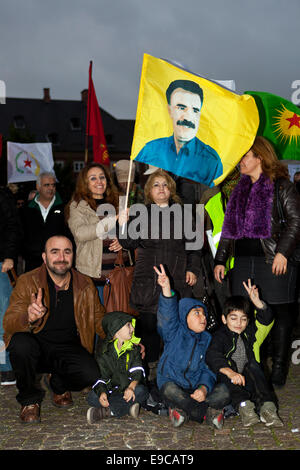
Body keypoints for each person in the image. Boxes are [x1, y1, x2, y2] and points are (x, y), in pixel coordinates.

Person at [214, 136, 300, 388]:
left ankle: (280, 368)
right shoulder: (238, 190)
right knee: (247, 313)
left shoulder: (282, 187)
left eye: (245, 156)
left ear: (259, 157)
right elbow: (228, 229)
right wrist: (221, 259)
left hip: (273, 259)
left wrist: (283, 252)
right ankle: (254, 365)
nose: (240, 161)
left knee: (280, 311)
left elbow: (296, 221)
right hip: (242, 261)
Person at [3, 235, 105, 424]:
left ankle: (57, 384)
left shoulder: (85, 284)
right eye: (54, 251)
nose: (61, 257)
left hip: (68, 348)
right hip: (35, 347)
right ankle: (29, 401)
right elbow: (9, 322)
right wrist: (29, 317)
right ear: (44, 257)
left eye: (67, 251)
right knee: (20, 344)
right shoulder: (27, 281)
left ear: (73, 256)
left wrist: (126, 338)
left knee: (91, 374)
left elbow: (100, 320)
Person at [117, 169, 201, 380]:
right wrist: (122, 223)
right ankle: (149, 372)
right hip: (148, 279)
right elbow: (128, 243)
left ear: (171, 189)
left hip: (177, 277)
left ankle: (173, 371)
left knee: (174, 326)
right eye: (156, 185)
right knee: (149, 328)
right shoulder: (140, 213)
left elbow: (194, 247)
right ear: (149, 191)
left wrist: (193, 268)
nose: (161, 188)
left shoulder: (184, 214)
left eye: (165, 184)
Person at [206, 279, 283, 428]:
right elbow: (212, 355)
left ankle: (267, 408)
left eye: (243, 319)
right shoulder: (220, 336)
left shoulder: (251, 333)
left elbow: (266, 321)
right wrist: (230, 373)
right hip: (227, 382)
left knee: (252, 365)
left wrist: (257, 302)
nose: (238, 323)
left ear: (248, 321)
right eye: (233, 318)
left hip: (250, 381)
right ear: (224, 319)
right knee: (227, 374)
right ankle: (245, 408)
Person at [154, 264, 221, 428]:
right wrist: (167, 290)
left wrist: (204, 388)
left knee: (224, 391)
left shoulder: (208, 339)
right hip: (173, 382)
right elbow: (167, 315)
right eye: (196, 313)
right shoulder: (174, 332)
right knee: (169, 390)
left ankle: (181, 410)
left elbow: (209, 368)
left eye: (204, 313)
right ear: (184, 317)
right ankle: (205, 412)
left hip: (196, 386)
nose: (203, 317)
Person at [135, 79, 223, 187]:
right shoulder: (150, 150)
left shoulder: (211, 161)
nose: (188, 117)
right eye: (181, 108)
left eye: (195, 110)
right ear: (169, 110)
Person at [66, 163, 124, 304]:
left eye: (102, 177)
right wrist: (113, 220)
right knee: (95, 323)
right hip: (92, 279)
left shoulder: (119, 203)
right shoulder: (78, 206)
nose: (99, 181)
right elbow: (81, 233)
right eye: (93, 178)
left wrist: (124, 242)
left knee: (119, 323)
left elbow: (133, 237)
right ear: (85, 183)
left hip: (118, 279)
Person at [86, 311, 148, 423]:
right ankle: (128, 408)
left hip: (128, 390)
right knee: (92, 397)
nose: (132, 329)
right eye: (128, 325)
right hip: (111, 391)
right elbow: (101, 378)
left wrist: (131, 387)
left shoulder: (133, 350)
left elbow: (138, 372)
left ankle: (106, 412)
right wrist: (102, 393)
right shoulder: (104, 352)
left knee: (142, 391)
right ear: (116, 330)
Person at [20, 172, 70, 272]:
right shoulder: (26, 210)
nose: (51, 188)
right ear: (38, 187)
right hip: (32, 264)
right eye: (47, 185)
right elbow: (20, 234)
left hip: (58, 262)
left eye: (53, 185)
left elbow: (69, 235)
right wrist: (28, 252)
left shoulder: (65, 208)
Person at [0, 188, 21, 385]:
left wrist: (8, 256)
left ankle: (6, 368)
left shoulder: (2, 195)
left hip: (0, 265)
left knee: (2, 319)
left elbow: (13, 226)